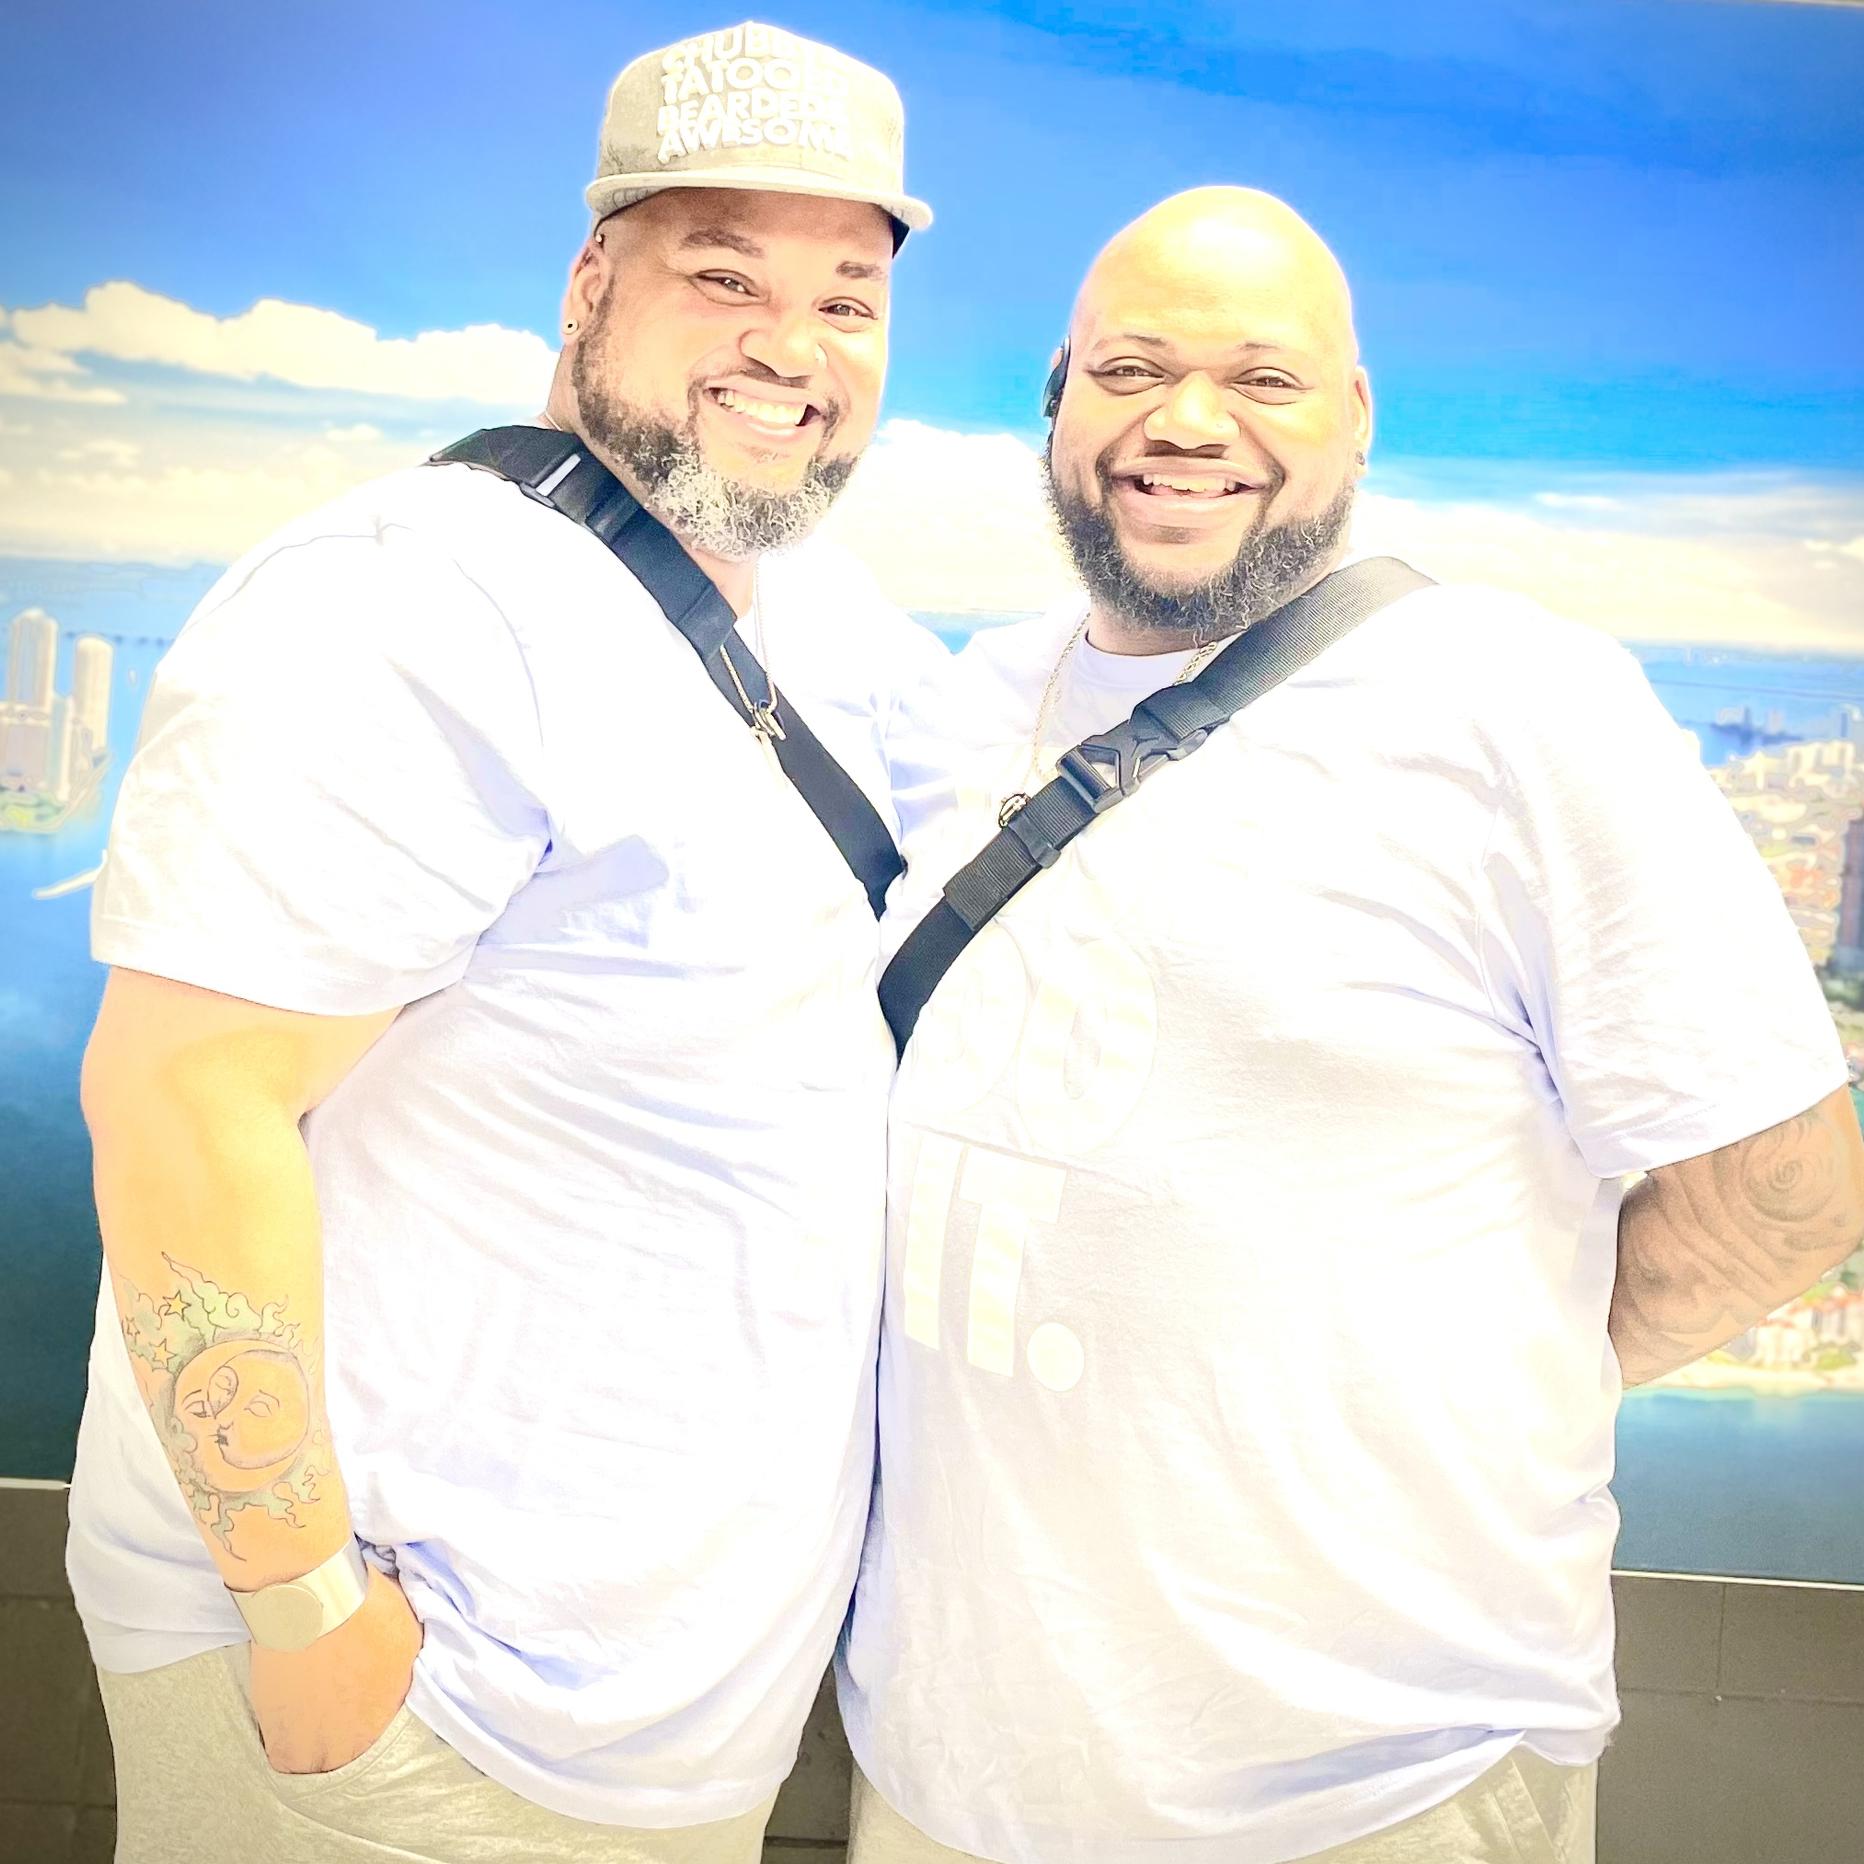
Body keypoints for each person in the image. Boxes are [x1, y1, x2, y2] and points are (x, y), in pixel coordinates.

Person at [838, 187, 1864, 1864]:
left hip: (1371, 1791)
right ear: (1058, 399)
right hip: (948, 1776)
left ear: (1360, 416)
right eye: (1132, 369)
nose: (1187, 422)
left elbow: (1786, 1193)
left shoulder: (1516, 705)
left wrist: (1456, 1385)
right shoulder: (969, 701)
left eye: (1264, 377)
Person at [66, 22, 936, 1862]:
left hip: (647, 1728)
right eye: (724, 277)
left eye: (846, 300)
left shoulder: (823, 621)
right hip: (418, 1720)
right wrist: (309, 1615)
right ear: (589, 282)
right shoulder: (409, 598)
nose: (791, 346)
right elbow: (183, 1097)